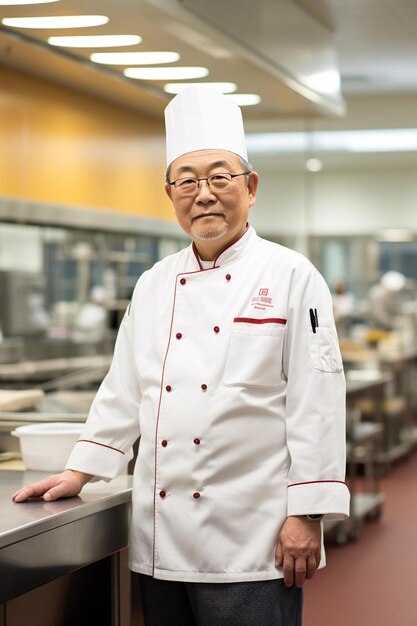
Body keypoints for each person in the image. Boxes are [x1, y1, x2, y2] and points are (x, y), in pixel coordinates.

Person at [13, 87, 350, 626]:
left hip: (252, 539)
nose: (205, 194)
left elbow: (318, 402)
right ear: (169, 193)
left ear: (251, 187)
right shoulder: (154, 283)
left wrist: (307, 513)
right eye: (187, 181)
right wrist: (82, 469)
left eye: (220, 177)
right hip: (161, 540)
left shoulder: (292, 276)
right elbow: (123, 388)